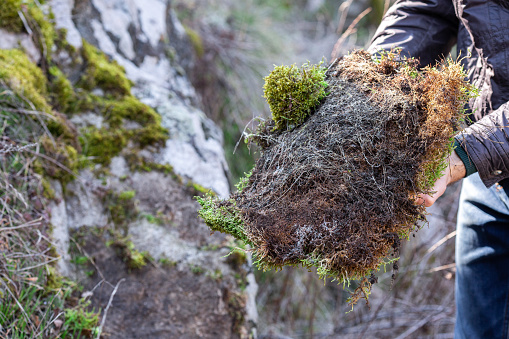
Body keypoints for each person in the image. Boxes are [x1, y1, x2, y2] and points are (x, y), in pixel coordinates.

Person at [367, 1, 509, 338]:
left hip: (477, 152)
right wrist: (373, 86)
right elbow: (426, 9)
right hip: (488, 178)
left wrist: (462, 155)